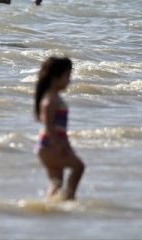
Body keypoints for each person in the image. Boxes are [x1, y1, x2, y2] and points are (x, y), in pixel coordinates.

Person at [34, 56, 85, 200]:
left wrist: (66, 144)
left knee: (56, 183)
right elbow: (48, 125)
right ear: (56, 77)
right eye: (67, 76)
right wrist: (59, 145)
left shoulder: (54, 97)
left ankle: (53, 205)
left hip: (49, 146)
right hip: (50, 146)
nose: (70, 80)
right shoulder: (50, 100)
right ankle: (70, 198)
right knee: (79, 167)